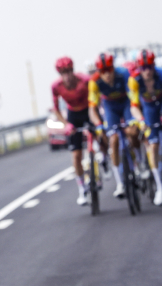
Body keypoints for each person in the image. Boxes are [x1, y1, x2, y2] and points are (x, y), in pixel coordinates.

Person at [88, 52, 136, 199]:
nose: (107, 74)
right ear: (98, 72)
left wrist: (135, 116)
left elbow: (134, 95)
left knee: (132, 132)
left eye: (109, 70)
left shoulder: (124, 74)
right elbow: (92, 108)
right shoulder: (94, 82)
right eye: (103, 71)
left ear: (113, 68)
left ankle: (139, 163)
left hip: (126, 103)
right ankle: (120, 182)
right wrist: (98, 124)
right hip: (110, 107)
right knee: (113, 139)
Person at [128, 49, 162, 206]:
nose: (146, 71)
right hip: (148, 107)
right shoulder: (134, 80)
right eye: (142, 68)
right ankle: (160, 187)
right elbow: (133, 106)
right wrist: (140, 119)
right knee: (152, 145)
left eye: (149, 67)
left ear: (154, 66)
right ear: (138, 68)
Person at [51, 57, 93, 206]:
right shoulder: (56, 86)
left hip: (88, 111)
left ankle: (104, 161)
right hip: (73, 115)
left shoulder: (84, 80)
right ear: (60, 74)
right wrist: (66, 124)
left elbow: (96, 97)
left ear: (73, 71)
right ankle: (82, 188)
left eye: (69, 72)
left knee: (100, 136)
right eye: (63, 73)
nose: (67, 75)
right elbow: (56, 109)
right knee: (76, 155)